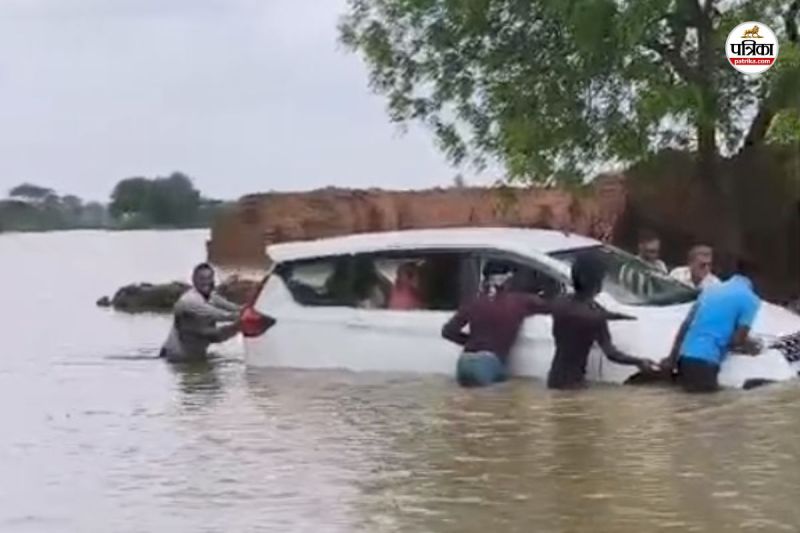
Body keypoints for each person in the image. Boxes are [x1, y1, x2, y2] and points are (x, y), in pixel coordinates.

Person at [547, 253, 660, 389]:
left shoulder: (561, 302)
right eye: (601, 278)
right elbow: (612, 354)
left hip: (553, 379)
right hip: (574, 383)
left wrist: (615, 316)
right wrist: (639, 361)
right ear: (595, 281)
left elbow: (582, 311)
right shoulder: (595, 316)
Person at [661, 259, 763, 393]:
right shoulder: (751, 300)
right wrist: (753, 347)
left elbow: (685, 326)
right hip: (705, 361)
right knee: (709, 403)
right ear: (755, 278)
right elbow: (737, 340)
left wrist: (672, 358)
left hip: (684, 358)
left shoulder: (710, 290)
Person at [441, 261, 549, 387]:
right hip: (489, 364)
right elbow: (552, 307)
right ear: (507, 277)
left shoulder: (474, 302)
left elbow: (447, 331)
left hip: (464, 361)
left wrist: (472, 341)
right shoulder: (520, 301)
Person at [160, 263, 242, 362]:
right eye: (202, 279)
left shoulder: (211, 297)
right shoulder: (189, 301)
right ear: (194, 280)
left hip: (194, 356)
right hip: (176, 359)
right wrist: (242, 321)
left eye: (209, 278)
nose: (206, 282)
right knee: (220, 333)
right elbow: (220, 315)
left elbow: (235, 308)